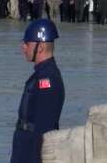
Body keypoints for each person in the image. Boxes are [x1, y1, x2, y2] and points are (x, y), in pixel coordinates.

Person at [10, 18, 65, 163]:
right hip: (24, 150)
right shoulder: (40, 75)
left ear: (40, 48)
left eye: (27, 43)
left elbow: (44, 130)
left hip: (31, 154)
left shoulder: (47, 80)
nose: (23, 47)